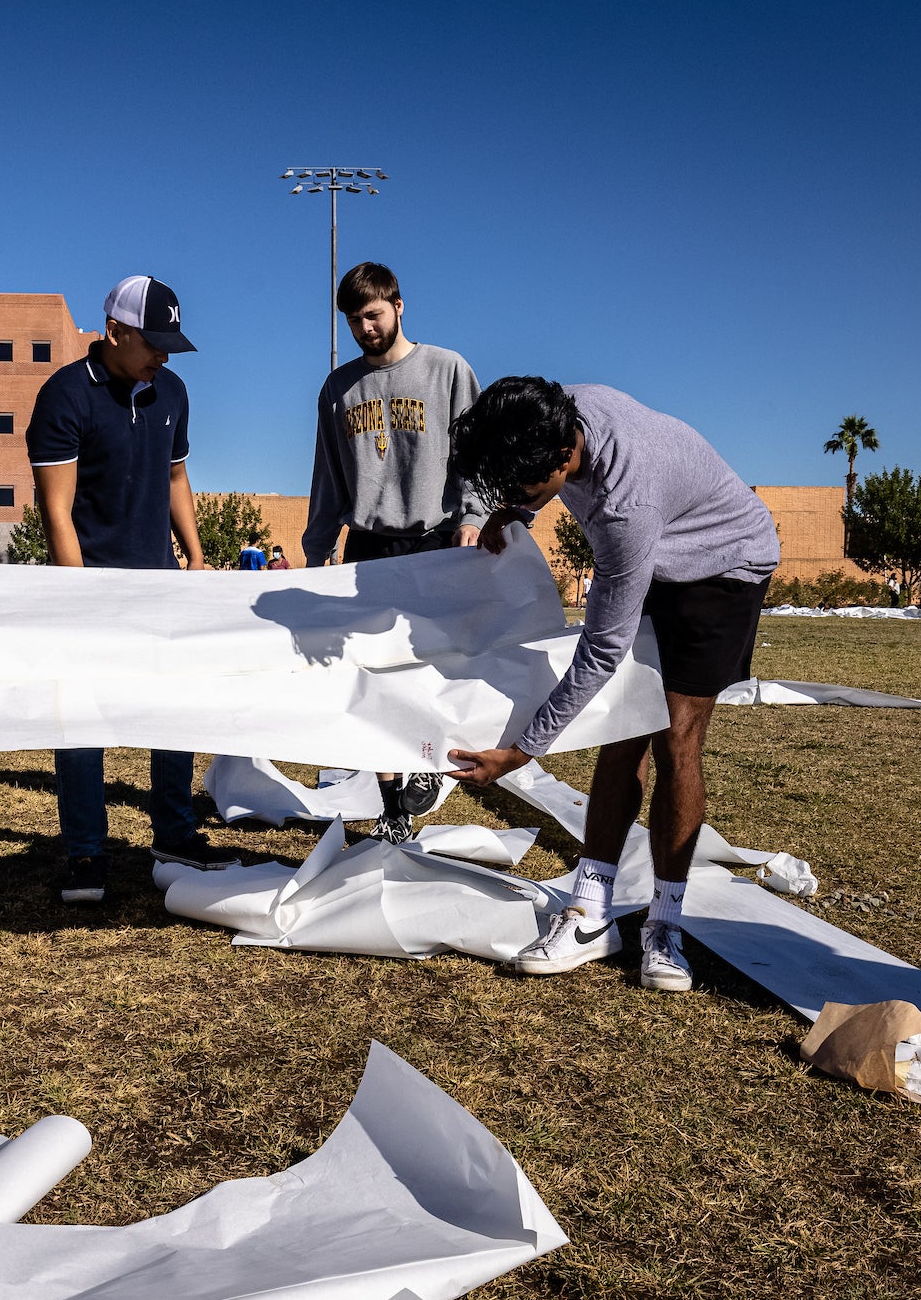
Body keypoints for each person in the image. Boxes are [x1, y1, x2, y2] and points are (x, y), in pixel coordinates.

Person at [442, 377, 781, 993]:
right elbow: (534, 476)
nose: (523, 495)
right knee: (623, 734)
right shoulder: (555, 411)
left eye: (525, 485)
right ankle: (591, 914)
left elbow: (601, 651)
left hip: (724, 565)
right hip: (657, 547)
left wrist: (521, 754)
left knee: (676, 738)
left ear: (564, 459)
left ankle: (666, 926)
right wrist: (514, 508)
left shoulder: (628, 504)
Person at [25, 274, 238, 904]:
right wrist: (78, 596)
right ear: (114, 332)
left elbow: (176, 477)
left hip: (161, 587)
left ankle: (174, 835)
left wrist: (195, 558)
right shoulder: (64, 396)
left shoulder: (172, 391)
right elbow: (55, 510)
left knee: (174, 711)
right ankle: (87, 854)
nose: (164, 356)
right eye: (153, 342)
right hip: (88, 585)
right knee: (83, 724)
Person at [301, 262, 494, 843]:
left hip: (435, 539)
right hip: (369, 544)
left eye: (373, 315)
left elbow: (477, 452)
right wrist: (317, 545)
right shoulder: (339, 388)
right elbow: (327, 472)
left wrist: (475, 515)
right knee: (375, 675)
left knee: (434, 666)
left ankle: (430, 765)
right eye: (354, 320)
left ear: (399, 306)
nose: (364, 328)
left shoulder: (447, 369)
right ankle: (392, 803)